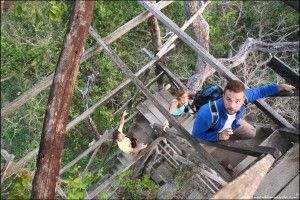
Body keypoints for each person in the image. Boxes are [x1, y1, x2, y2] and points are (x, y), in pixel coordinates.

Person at [192, 80, 295, 142]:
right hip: (215, 129)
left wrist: (280, 87)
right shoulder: (205, 113)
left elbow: (260, 91)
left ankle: (230, 137)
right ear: (223, 96)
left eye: (237, 101)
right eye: (228, 99)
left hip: (232, 124)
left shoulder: (245, 97)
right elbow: (196, 134)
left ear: (243, 99)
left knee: (251, 133)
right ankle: (222, 140)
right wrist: (218, 136)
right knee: (221, 140)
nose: (232, 106)